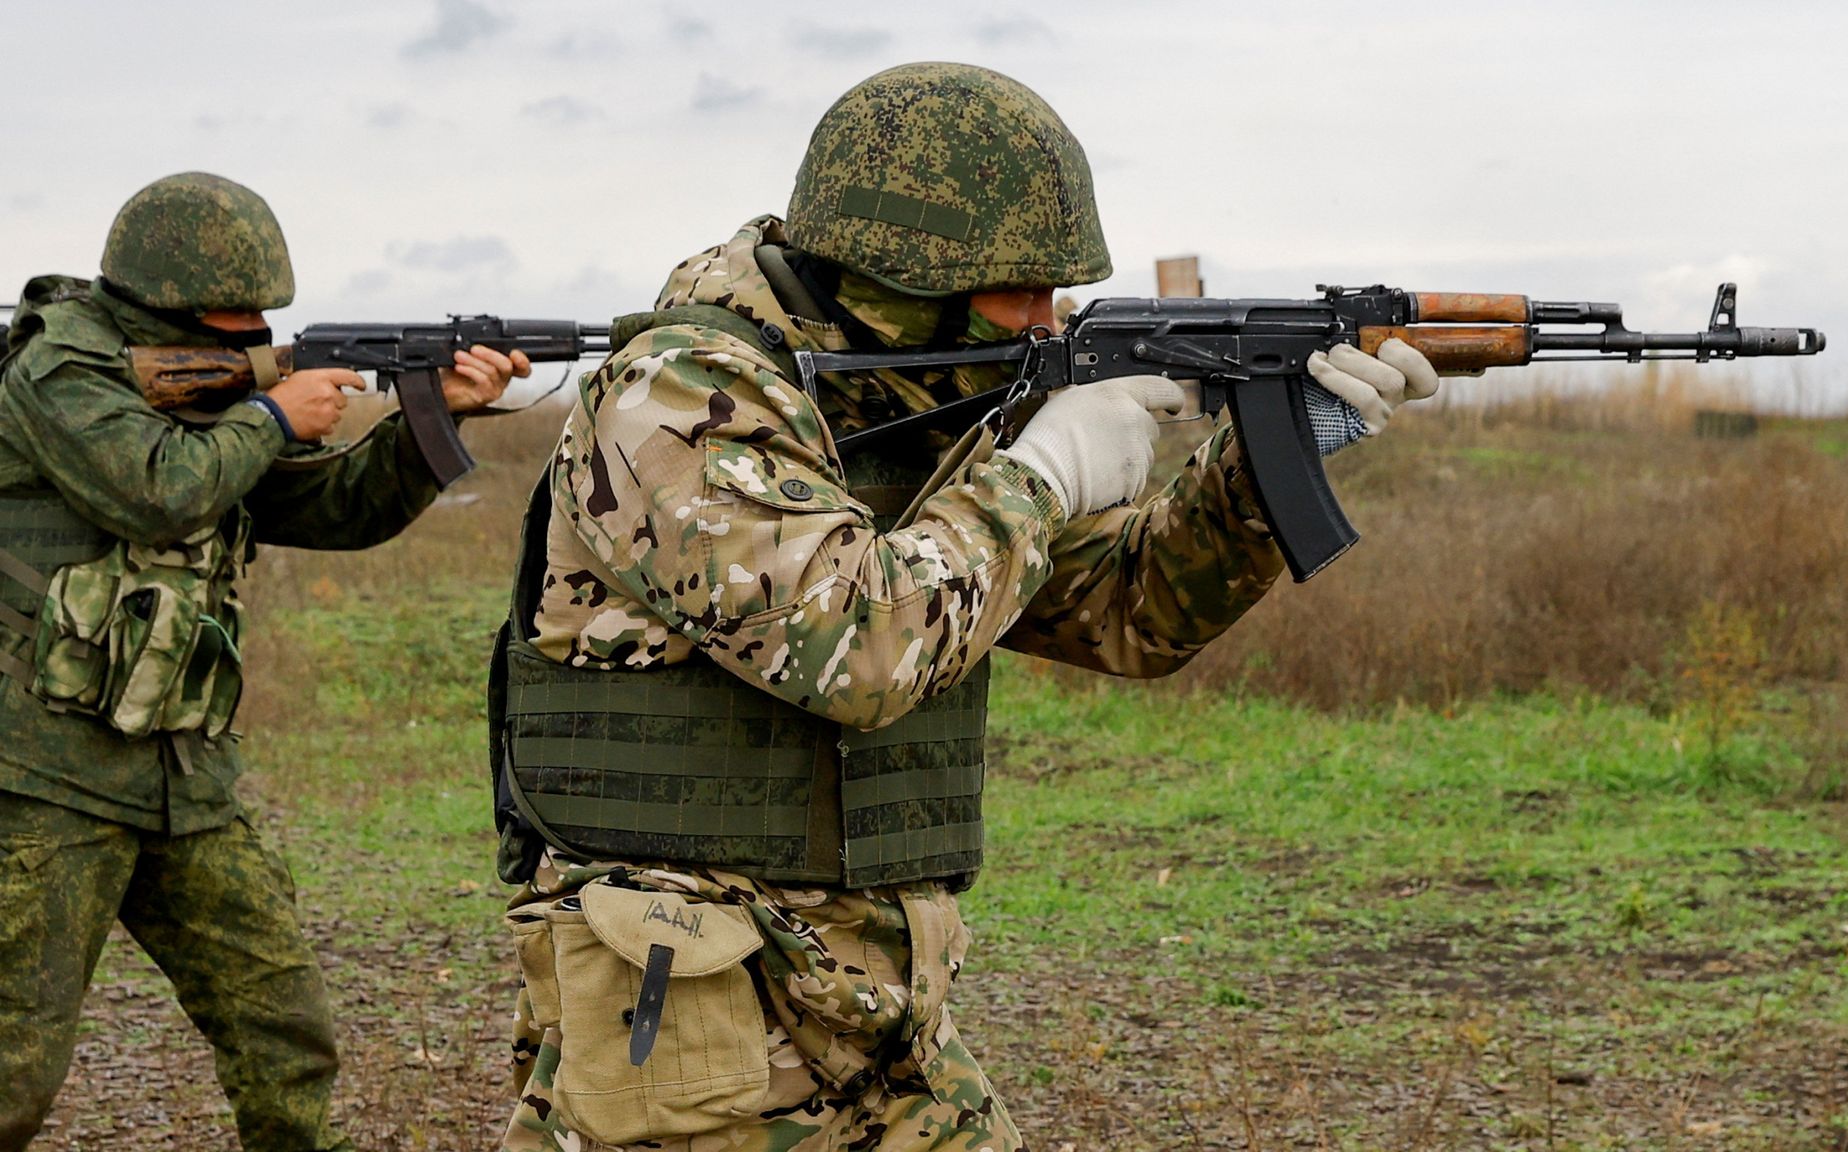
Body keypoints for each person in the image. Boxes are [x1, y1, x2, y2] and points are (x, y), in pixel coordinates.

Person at [490, 63, 1438, 1151]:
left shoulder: (916, 402)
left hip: (872, 997)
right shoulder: (682, 396)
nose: (1045, 321)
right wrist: (1036, 477)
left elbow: (1123, 612)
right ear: (894, 276)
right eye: (1017, 289)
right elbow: (852, 649)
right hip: (688, 995)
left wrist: (1266, 463)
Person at [0, 171, 530, 1151]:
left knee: (283, 1028)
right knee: (13, 1064)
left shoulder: (210, 395)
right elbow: (155, 491)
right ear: (163, 295)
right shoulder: (58, 370)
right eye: (230, 312)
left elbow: (329, 509)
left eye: (258, 316)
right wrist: (276, 414)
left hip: (181, 774)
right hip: (44, 775)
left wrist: (438, 415)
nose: (249, 332)